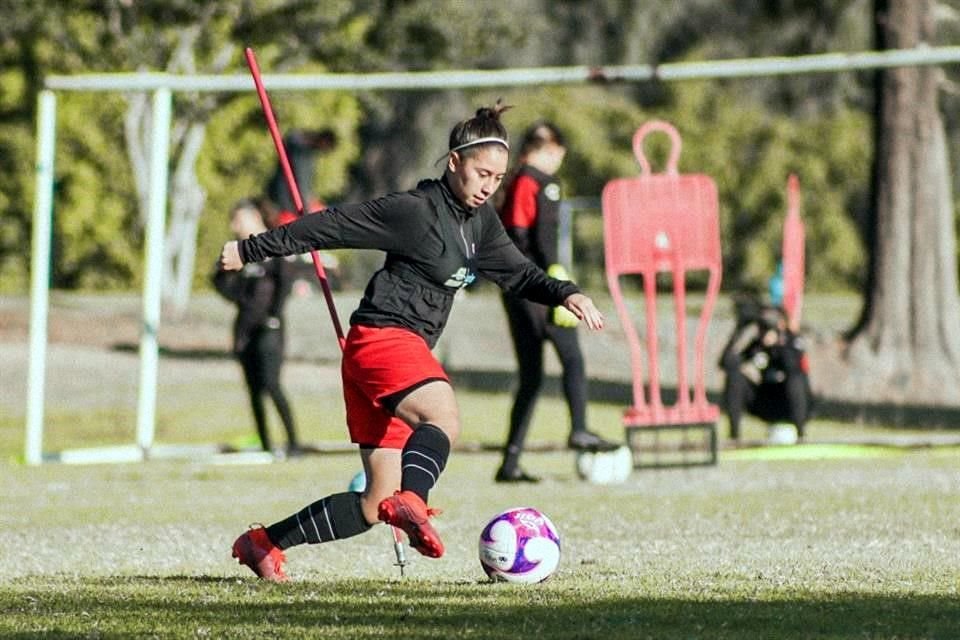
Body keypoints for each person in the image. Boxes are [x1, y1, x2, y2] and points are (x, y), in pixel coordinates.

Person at [219, 103, 606, 581]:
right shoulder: (413, 211)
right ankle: (415, 502)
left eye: (498, 178)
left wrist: (565, 293)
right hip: (382, 340)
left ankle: (264, 543)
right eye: (482, 173)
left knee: (373, 501)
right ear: (454, 162)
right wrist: (248, 249)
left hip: (392, 353)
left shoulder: (480, 223)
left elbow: (518, 273)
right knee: (442, 415)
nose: (489, 186)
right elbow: (328, 226)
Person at [495, 121, 618, 483]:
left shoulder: (515, 180)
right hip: (537, 288)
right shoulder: (539, 182)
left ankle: (510, 462)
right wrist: (558, 283)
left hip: (513, 288)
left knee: (531, 378)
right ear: (551, 150)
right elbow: (537, 237)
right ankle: (579, 428)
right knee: (573, 359)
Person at [213, 198, 301, 457]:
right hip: (245, 329)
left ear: (253, 217)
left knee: (271, 384)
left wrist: (273, 314)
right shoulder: (235, 251)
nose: (234, 225)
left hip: (269, 329)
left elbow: (286, 281)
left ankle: (293, 444)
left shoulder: (273, 246)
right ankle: (265, 445)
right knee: (253, 390)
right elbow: (220, 280)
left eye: (238, 219)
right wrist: (238, 294)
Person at [719, 298, 813, 442]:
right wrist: (738, 331)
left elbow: (791, 366)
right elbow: (726, 363)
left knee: (796, 378)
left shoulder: (792, 341)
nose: (764, 331)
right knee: (735, 377)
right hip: (766, 402)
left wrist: (777, 345)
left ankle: (801, 435)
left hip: (791, 403)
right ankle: (734, 437)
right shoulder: (758, 345)